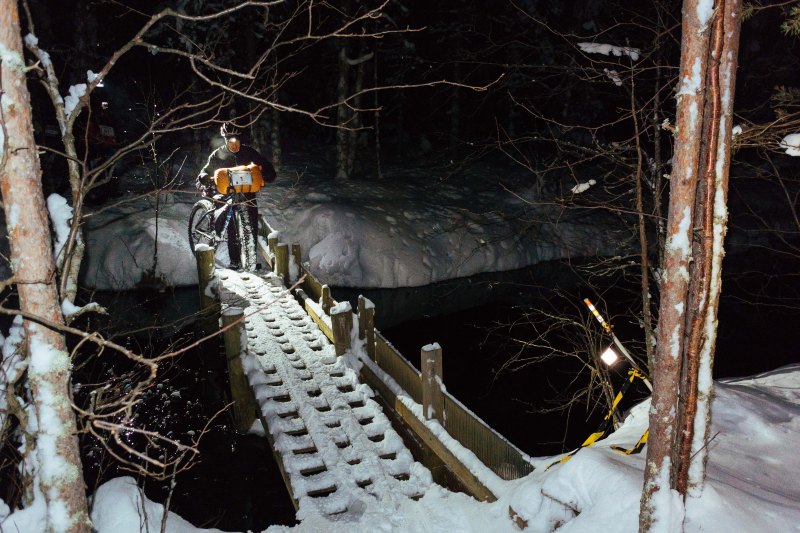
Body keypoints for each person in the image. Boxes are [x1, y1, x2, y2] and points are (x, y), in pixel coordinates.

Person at [196, 123, 277, 268]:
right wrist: (204, 178)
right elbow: (204, 172)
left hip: (247, 195)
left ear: (240, 141)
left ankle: (250, 261)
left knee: (251, 226)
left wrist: (266, 173)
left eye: (236, 142)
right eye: (230, 143)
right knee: (231, 227)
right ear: (225, 142)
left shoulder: (249, 152)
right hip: (227, 195)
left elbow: (267, 167)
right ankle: (234, 261)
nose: (234, 146)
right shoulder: (218, 154)